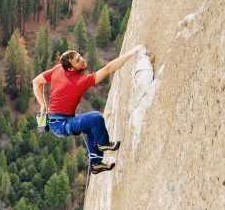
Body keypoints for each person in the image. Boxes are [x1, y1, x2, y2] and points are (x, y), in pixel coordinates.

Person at [32, 45, 146, 173]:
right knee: (96, 118)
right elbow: (108, 69)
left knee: (91, 128)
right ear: (70, 68)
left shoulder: (58, 69)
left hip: (60, 120)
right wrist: (132, 52)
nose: (82, 60)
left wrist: (43, 104)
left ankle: (96, 164)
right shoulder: (79, 81)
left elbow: (37, 82)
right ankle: (103, 144)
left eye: (79, 56)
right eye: (78, 61)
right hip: (60, 125)